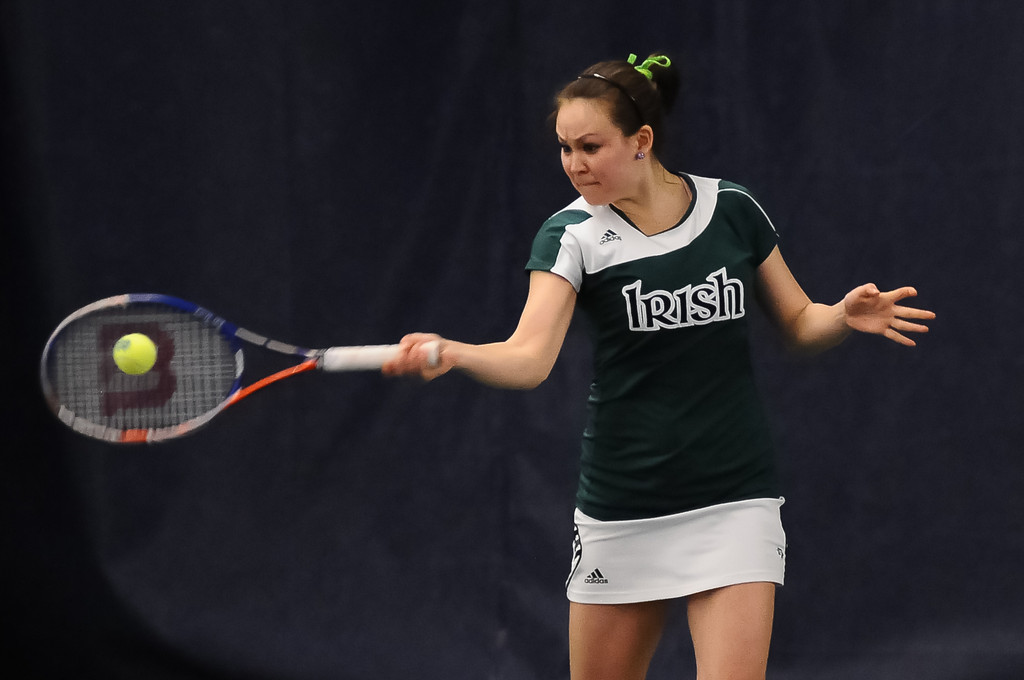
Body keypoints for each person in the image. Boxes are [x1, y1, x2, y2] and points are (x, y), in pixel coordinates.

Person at [382, 53, 935, 680]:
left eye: (590, 146)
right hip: (624, 504)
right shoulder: (571, 236)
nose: (574, 165)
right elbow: (528, 359)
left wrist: (839, 316)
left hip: (734, 499)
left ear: (641, 140)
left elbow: (800, 325)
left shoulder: (733, 209)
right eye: (564, 149)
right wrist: (454, 353)